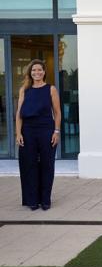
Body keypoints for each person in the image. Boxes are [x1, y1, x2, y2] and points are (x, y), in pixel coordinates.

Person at [15, 59, 62, 211]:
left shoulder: (51, 89)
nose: (37, 72)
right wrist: (18, 133)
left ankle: (45, 200)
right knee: (29, 165)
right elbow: (19, 114)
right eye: (34, 70)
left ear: (44, 72)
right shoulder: (24, 90)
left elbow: (57, 112)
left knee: (47, 164)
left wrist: (56, 131)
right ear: (30, 72)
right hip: (27, 131)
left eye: (39, 70)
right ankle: (32, 200)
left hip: (46, 130)